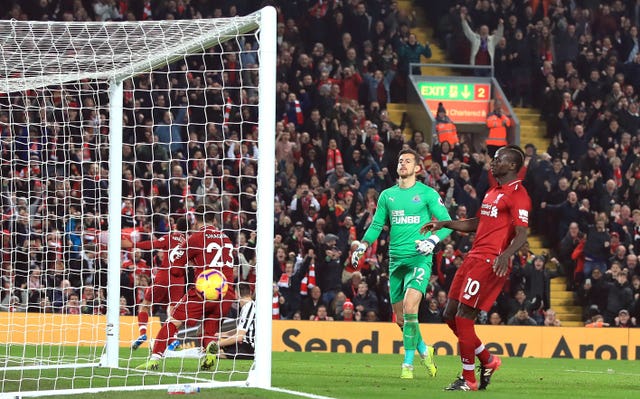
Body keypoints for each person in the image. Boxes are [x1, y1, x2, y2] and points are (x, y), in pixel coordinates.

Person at [420, 145, 531, 391]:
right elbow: (477, 223)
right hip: (473, 257)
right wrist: (444, 223)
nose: (493, 161)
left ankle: (468, 378)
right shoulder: (493, 191)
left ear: (512, 165)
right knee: (449, 314)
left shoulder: (518, 194)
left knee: (464, 316)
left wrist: (505, 255)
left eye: (498, 159)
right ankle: (487, 360)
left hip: (490, 261)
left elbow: (522, 233)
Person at [351, 148, 453, 379]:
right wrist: (363, 245)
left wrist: (433, 240)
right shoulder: (388, 195)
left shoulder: (426, 194)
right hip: (395, 262)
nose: (403, 163)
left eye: (408, 161)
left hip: (419, 258)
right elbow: (377, 225)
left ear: (417, 168)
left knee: (409, 309)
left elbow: (447, 222)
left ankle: (408, 364)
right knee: (401, 319)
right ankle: (425, 350)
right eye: (400, 160)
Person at [137, 205, 236, 371]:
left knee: (173, 322)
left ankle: (154, 359)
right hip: (226, 292)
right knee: (209, 326)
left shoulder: (195, 239)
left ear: (195, 221)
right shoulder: (226, 239)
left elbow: (175, 270)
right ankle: (210, 348)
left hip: (202, 291)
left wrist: (191, 263)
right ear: (215, 220)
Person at [123, 216, 189, 350]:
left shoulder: (169, 237)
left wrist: (133, 245)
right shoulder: (189, 242)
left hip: (164, 275)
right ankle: (173, 339)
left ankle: (142, 333)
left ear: (175, 226)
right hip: (179, 279)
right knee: (172, 310)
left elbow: (152, 244)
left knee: (145, 305)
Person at [215, 283, 256, 360]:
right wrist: (222, 334)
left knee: (216, 352)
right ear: (250, 292)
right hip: (246, 345)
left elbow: (239, 337)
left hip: (249, 348)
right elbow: (240, 330)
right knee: (221, 347)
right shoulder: (248, 306)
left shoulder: (249, 308)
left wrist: (216, 344)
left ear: (236, 294)